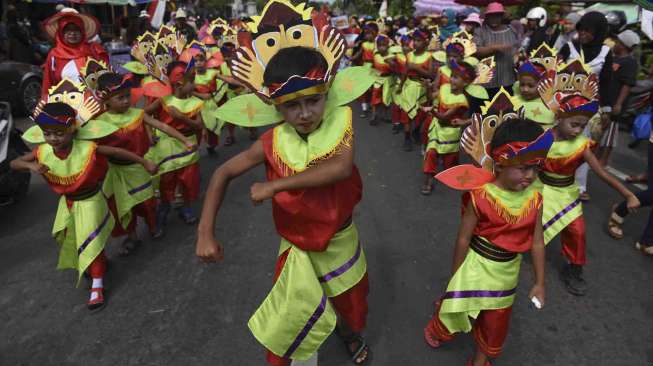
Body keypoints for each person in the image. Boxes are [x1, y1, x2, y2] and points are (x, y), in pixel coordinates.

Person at [196, 3, 376, 363]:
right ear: (275, 106)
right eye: (292, 106)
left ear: (328, 93)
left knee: (349, 304)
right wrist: (205, 232)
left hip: (340, 239)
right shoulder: (271, 142)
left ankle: (346, 332)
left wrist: (275, 186)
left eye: (313, 100)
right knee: (292, 321)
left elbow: (341, 168)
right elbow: (222, 173)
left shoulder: (341, 122)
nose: (306, 113)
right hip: (297, 247)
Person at [424, 118, 550, 366]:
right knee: (456, 308)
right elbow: (463, 237)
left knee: (496, 322)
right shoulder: (480, 195)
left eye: (536, 168)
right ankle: (438, 329)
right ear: (501, 162)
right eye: (524, 168)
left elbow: (537, 242)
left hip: (506, 276)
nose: (531, 175)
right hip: (475, 267)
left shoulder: (535, 199)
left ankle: (480, 360)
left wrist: (540, 282)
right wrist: (455, 275)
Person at [10, 101, 157, 311]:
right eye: (48, 133)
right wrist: (30, 165)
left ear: (71, 129)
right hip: (68, 203)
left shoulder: (89, 148)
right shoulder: (44, 151)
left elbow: (116, 151)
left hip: (90, 201)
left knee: (90, 239)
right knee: (72, 238)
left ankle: (97, 285)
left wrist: (144, 162)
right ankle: (101, 263)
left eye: (58, 133)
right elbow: (14, 164)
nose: (53, 138)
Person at [537, 62, 640, 296]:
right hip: (541, 190)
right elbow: (525, 164)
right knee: (528, 226)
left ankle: (574, 267)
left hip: (567, 194)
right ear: (559, 116)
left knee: (577, 231)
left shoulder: (582, 145)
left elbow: (602, 172)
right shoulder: (543, 139)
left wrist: (628, 194)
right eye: (574, 124)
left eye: (582, 126)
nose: (577, 130)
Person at [93, 72, 195, 254]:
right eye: (120, 98)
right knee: (122, 206)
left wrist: (185, 140)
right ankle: (131, 236)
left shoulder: (137, 114)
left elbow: (163, 126)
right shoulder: (99, 122)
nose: (126, 101)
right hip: (115, 170)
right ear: (106, 100)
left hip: (138, 168)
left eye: (127, 96)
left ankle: (153, 225)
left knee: (146, 203)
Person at [558, 11, 614, 202]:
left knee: (583, 146)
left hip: (590, 109)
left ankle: (580, 186)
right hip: (564, 104)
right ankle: (551, 175)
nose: (583, 33)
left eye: (588, 31)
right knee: (557, 140)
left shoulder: (606, 52)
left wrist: (607, 110)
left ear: (598, 32)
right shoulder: (569, 47)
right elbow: (554, 73)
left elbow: (607, 82)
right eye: (581, 29)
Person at [145, 61, 204, 237]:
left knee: (188, 179)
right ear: (179, 83)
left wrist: (181, 118)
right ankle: (163, 207)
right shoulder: (164, 100)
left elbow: (199, 126)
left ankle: (185, 207)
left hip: (188, 145)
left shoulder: (195, 102)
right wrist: (150, 134)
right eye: (191, 80)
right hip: (167, 146)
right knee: (166, 180)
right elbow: (144, 114)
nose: (195, 84)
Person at [421, 61, 475, 195]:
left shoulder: (461, 101)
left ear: (466, 83)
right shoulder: (444, 87)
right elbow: (431, 97)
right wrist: (428, 88)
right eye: (452, 75)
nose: (451, 79)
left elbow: (444, 117)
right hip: (437, 129)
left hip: (450, 133)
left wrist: (431, 111)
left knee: (449, 164)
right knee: (431, 153)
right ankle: (428, 181)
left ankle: (454, 174)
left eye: (456, 77)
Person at [40, 8, 108, 99]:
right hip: (67, 104)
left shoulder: (94, 50)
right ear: (61, 33)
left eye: (76, 30)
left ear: (82, 31)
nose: (72, 34)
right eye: (67, 30)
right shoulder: (54, 55)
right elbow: (48, 83)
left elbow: (106, 78)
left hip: (94, 102)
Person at [597, 30, 640, 166]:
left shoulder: (630, 63)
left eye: (617, 42)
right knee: (598, 129)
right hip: (604, 100)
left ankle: (604, 160)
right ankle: (595, 157)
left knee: (610, 131)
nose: (614, 44)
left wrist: (619, 104)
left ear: (623, 45)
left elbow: (627, 85)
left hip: (615, 102)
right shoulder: (612, 58)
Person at [396, 29, 433, 152]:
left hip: (422, 87)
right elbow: (405, 72)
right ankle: (407, 137)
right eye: (414, 40)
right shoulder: (410, 55)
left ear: (425, 42)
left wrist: (416, 67)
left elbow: (431, 75)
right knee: (406, 113)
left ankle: (416, 130)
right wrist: (400, 86)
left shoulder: (429, 56)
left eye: (418, 41)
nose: (415, 43)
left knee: (421, 114)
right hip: (410, 86)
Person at [473, 2, 519, 98]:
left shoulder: (511, 30)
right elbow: (476, 51)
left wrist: (517, 57)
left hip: (507, 79)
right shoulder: (480, 31)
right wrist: (495, 48)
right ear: (487, 17)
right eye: (491, 16)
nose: (494, 18)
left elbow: (516, 49)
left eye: (497, 16)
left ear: (502, 16)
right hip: (485, 81)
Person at [513, 61, 555, 130]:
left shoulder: (550, 104)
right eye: (522, 85)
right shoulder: (514, 98)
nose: (525, 89)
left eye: (531, 86)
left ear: (543, 85)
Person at [351, 22, 378, 118]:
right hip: (365, 67)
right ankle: (364, 108)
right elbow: (359, 53)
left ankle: (372, 106)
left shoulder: (378, 44)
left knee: (373, 89)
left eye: (370, 33)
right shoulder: (364, 44)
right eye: (366, 34)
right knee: (364, 88)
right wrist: (352, 58)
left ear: (375, 33)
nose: (367, 36)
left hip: (375, 68)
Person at [370, 34, 394, 125]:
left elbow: (395, 68)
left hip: (388, 79)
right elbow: (373, 66)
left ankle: (385, 115)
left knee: (386, 98)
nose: (382, 48)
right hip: (377, 79)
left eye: (384, 45)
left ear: (388, 45)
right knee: (375, 98)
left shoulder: (391, 56)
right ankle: (374, 116)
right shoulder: (375, 54)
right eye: (379, 45)